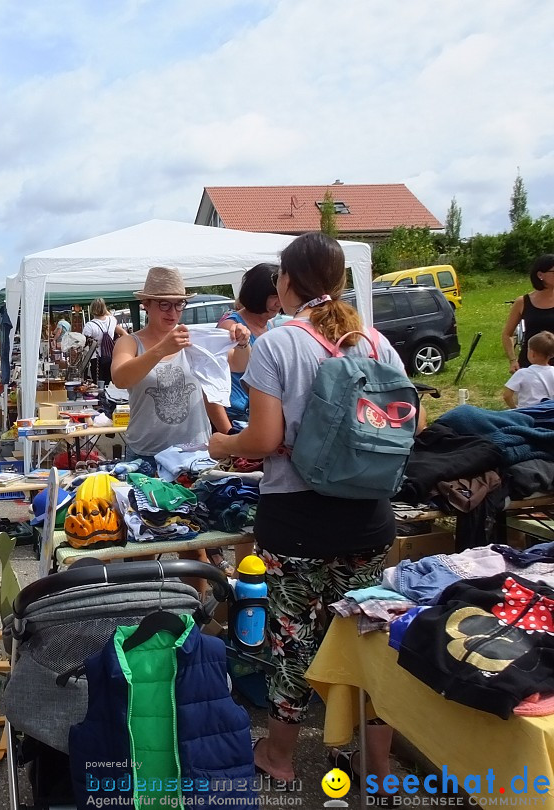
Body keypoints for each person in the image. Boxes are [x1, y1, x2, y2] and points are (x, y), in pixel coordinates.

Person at [207, 232, 406, 790]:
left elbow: (265, 439)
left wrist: (223, 446)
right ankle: (377, 768)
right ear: (341, 281)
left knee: (293, 642)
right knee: (370, 639)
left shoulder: (277, 344)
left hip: (296, 522)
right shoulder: (376, 342)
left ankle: (280, 757)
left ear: (285, 284)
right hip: (368, 515)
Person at [111, 266, 248, 475]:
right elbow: (120, 378)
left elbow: (239, 364)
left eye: (179, 304)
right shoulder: (130, 342)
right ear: (146, 304)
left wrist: (242, 343)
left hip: (194, 454)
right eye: (164, 304)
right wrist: (161, 349)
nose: (173, 312)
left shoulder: (195, 339)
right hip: (145, 454)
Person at [210, 263, 281, 433]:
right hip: (235, 417)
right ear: (257, 294)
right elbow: (214, 382)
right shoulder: (230, 325)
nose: (279, 302)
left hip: (259, 414)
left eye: (281, 295)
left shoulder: (269, 326)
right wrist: (228, 433)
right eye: (273, 296)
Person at [503, 254, 554, 372]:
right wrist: (512, 360)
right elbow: (507, 334)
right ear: (540, 275)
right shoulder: (522, 302)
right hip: (530, 365)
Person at [81, 298, 127, 387]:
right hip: (110, 355)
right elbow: (124, 334)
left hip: (96, 358)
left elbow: (83, 343)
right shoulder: (112, 320)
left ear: (92, 309)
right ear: (104, 308)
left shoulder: (90, 325)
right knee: (109, 384)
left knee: (97, 384)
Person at [503, 330, 554, 407]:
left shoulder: (522, 373)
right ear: (552, 355)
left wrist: (516, 409)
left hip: (528, 414)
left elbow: (507, 395)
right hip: (549, 413)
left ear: (532, 353)